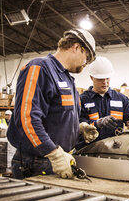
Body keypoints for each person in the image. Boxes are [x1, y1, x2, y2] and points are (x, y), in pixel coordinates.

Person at [7, 28, 98, 179]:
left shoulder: (67, 79)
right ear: (76, 47)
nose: (85, 64)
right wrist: (54, 154)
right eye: (87, 58)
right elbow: (27, 119)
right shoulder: (39, 68)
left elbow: (56, 116)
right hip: (37, 162)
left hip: (59, 160)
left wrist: (78, 128)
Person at [76, 56, 129, 149]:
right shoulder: (82, 100)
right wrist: (98, 123)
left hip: (115, 150)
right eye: (100, 79)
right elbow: (77, 125)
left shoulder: (121, 99)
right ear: (91, 77)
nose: (105, 82)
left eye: (107, 78)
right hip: (89, 150)